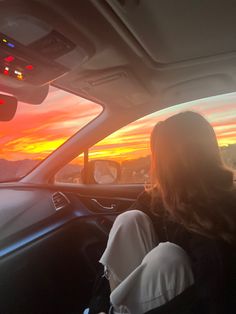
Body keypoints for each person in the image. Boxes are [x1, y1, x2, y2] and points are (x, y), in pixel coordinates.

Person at [96, 111, 236, 314]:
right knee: (129, 220)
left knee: (167, 256)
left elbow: (213, 297)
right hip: (141, 300)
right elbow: (111, 260)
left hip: (193, 304)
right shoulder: (157, 197)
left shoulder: (223, 210)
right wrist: (97, 305)